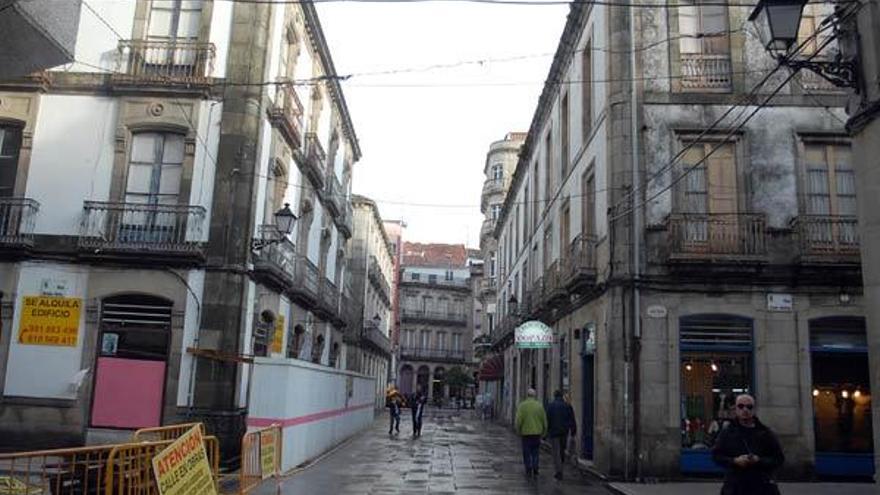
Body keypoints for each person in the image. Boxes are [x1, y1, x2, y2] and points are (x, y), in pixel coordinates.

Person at [712, 394, 784, 495]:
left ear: (754, 410)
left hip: (761, 487)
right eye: (741, 406)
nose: (745, 410)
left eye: (749, 407)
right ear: (735, 409)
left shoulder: (765, 433)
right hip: (735, 487)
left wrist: (759, 460)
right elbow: (716, 456)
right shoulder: (727, 432)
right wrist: (734, 461)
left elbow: (778, 458)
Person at [515, 388, 547, 479]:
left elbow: (518, 420)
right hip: (537, 433)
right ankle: (535, 468)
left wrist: (518, 430)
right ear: (534, 395)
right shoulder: (539, 406)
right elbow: (544, 421)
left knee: (526, 452)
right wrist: (544, 432)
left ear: (527, 395)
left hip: (526, 433)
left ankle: (528, 468)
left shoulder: (522, 406)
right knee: (535, 452)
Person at [546, 390, 577, 480]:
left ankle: (559, 471)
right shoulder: (567, 406)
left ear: (554, 396)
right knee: (562, 451)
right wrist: (573, 431)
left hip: (554, 432)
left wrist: (546, 432)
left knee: (556, 452)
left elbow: (547, 419)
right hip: (564, 432)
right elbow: (572, 419)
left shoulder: (551, 406)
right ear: (562, 396)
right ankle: (561, 467)